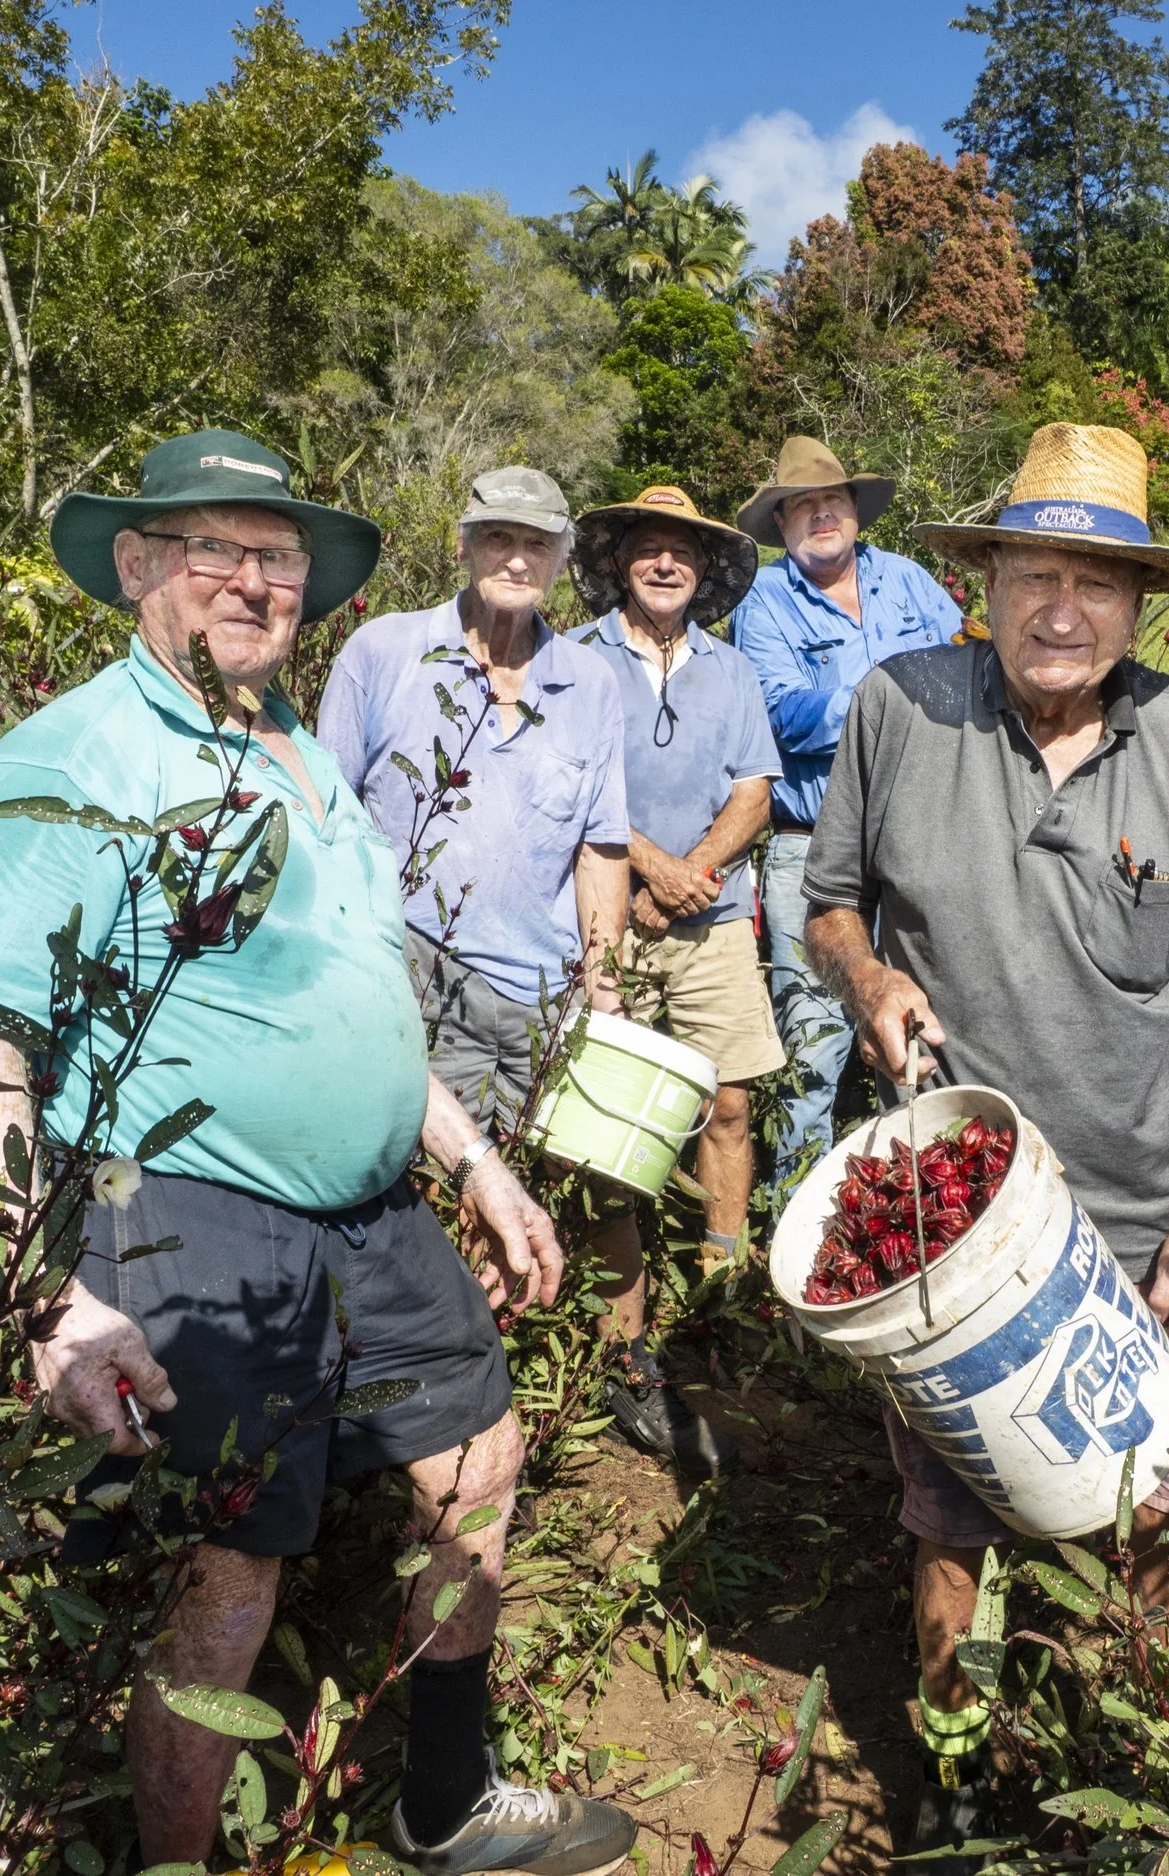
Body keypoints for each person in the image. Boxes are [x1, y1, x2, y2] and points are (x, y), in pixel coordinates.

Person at [0, 429, 637, 1875]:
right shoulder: (74, 756)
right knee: (229, 1566)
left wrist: (475, 1160)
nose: (254, 582)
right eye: (216, 548)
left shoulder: (298, 747)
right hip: (192, 1207)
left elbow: (356, 1001)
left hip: (372, 1209)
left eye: (281, 557)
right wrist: (51, 1303)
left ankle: (445, 1797)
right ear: (137, 562)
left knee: (478, 1461)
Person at [801, 424, 1169, 1870]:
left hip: (1135, 1212)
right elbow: (828, 904)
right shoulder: (899, 705)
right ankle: (954, 1772)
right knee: (950, 1512)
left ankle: (1152, 1766)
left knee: (1168, 1498)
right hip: (951, 1231)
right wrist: (868, 979)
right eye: (1032, 574)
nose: (1059, 609)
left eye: (1095, 582)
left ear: (1138, 605)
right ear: (986, 584)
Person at [318, 468, 729, 1477]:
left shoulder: (585, 681)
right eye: (496, 537)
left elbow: (600, 844)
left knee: (601, 1185)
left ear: (560, 561)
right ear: (463, 545)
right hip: (411, 970)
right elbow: (324, 819)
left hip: (543, 984)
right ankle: (449, 1411)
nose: (515, 557)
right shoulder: (384, 654)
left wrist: (603, 987)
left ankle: (618, 1369)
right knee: (441, 1193)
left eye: (535, 542)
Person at [731, 437, 961, 1184]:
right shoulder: (763, 602)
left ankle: (930, 1210)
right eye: (801, 506)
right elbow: (779, 716)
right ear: (781, 524)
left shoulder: (910, 582)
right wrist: (892, 698)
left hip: (927, 845)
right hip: (813, 850)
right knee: (813, 1053)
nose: (820, 514)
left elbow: (969, 672)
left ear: (855, 510)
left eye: (832, 500)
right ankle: (794, 1220)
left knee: (927, 1041)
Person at [566, 487, 780, 1279]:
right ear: (620, 563)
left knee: (727, 1107)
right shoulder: (576, 659)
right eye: (650, 550)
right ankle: (621, 1296)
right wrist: (654, 876)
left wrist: (689, 880)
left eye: (682, 552)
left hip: (712, 923)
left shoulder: (733, 670)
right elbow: (573, 784)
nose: (665, 564)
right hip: (605, 921)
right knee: (610, 1115)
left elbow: (753, 794)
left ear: (703, 569)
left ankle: (718, 1283)